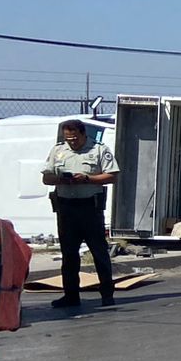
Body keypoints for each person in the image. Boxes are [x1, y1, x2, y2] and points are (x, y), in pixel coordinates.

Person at [41, 119, 119, 309]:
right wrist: (62, 179)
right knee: (69, 254)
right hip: (66, 208)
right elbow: (46, 177)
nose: (72, 142)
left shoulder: (99, 150)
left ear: (84, 134)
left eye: (75, 138)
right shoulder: (58, 151)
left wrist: (88, 178)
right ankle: (71, 295)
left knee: (98, 251)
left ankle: (107, 293)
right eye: (68, 138)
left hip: (90, 208)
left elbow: (112, 175)